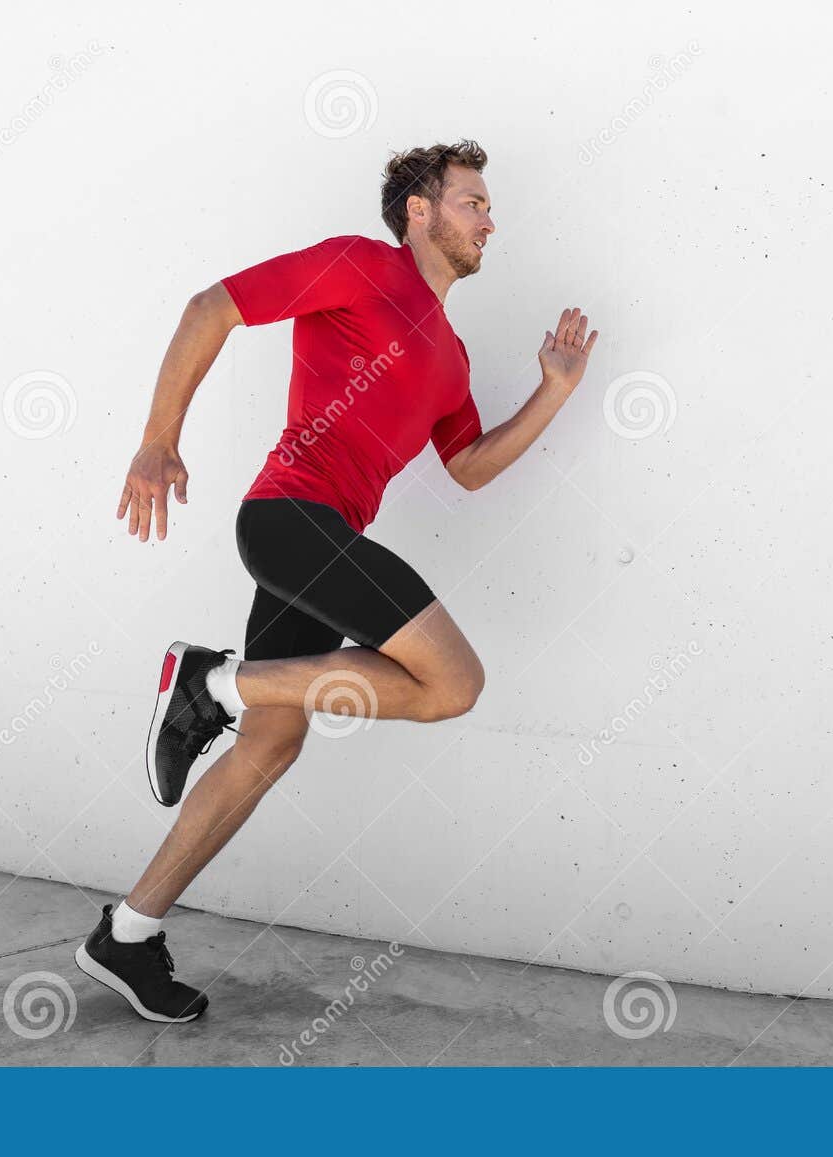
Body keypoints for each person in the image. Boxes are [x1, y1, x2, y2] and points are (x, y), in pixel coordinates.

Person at [74, 140, 599, 1022]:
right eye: (472, 202)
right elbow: (214, 306)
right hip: (290, 519)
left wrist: (554, 391)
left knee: (271, 742)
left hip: (323, 541)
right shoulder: (361, 265)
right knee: (453, 682)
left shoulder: (452, 353)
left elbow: (466, 466)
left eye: (488, 206)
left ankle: (125, 932)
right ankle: (207, 681)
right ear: (419, 212)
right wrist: (159, 437)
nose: (489, 220)